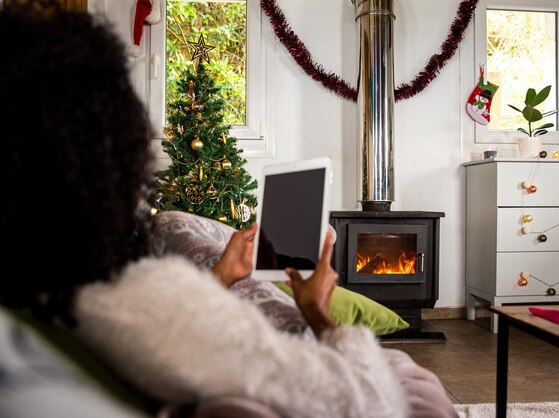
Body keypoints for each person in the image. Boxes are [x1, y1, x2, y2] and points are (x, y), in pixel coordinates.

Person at [0, 2, 458, 418]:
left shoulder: (41, 305)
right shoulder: (132, 301)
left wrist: (220, 278)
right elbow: (370, 401)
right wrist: (317, 310)